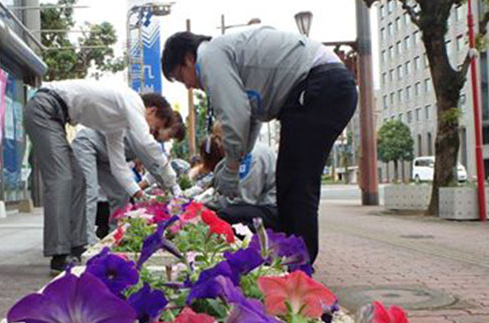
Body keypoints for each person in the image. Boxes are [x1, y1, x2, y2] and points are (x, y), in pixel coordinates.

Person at [161, 26, 358, 264]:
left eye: (183, 78)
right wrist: (235, 159)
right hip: (323, 86)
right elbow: (250, 119)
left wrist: (233, 166)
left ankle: (298, 264)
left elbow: (236, 116)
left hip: (318, 85)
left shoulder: (209, 55)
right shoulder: (226, 54)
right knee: (293, 181)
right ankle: (294, 259)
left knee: (296, 183)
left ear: (188, 59)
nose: (189, 86)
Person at [24, 80, 178, 272]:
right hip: (44, 109)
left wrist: (140, 194)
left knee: (79, 180)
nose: (152, 132)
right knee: (61, 178)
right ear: (152, 111)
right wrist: (171, 178)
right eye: (154, 128)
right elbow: (146, 143)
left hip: (55, 116)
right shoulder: (132, 100)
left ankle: (77, 245)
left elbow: (118, 166)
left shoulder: (116, 124)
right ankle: (59, 254)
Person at [71, 97, 184, 245]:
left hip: (107, 158)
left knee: (121, 195)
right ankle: (83, 243)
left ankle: (115, 236)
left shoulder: (147, 133)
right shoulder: (140, 127)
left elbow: (153, 166)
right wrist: (176, 192)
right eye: (168, 135)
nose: (165, 140)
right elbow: (154, 164)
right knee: (89, 191)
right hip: (88, 145)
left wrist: (146, 192)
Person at [196, 134, 279, 231]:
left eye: (219, 138)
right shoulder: (237, 155)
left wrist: (208, 204)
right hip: (259, 205)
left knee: (223, 216)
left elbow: (245, 198)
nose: (218, 144)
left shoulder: (252, 155)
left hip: (269, 208)